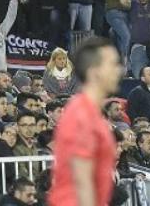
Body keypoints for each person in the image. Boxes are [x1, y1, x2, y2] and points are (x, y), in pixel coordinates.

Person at [48, 36, 121, 206]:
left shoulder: (90, 112)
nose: (119, 70)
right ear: (94, 72)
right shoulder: (81, 115)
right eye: (112, 64)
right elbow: (82, 182)